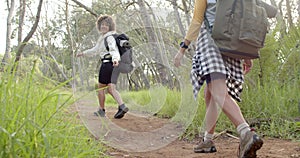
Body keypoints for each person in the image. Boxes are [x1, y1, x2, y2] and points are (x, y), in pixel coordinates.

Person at [174, 0, 263, 157]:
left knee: (218, 91)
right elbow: (244, 19)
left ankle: (246, 133)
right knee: (210, 92)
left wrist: (182, 49)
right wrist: (247, 53)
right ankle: (207, 140)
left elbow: (197, 20)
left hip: (211, 43)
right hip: (232, 45)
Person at [77, 15, 129, 119]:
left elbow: (113, 49)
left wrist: (115, 59)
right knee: (110, 88)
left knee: (101, 88)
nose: (103, 26)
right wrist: (83, 53)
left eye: (106, 25)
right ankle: (122, 106)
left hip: (108, 64)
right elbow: (95, 50)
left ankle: (102, 110)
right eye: (102, 25)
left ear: (110, 26)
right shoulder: (104, 38)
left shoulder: (109, 37)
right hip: (113, 65)